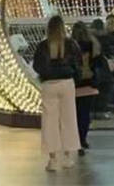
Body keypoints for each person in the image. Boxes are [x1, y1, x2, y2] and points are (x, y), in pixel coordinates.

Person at [33, 14, 81, 171]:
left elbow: (37, 66)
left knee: (49, 121)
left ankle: (53, 159)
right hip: (67, 83)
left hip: (49, 84)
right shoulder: (71, 44)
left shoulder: (43, 46)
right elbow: (78, 64)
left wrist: (46, 74)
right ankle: (68, 156)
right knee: (69, 119)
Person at [71, 20, 100, 154]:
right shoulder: (92, 45)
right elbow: (97, 62)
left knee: (75, 114)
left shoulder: (70, 46)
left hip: (74, 84)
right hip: (89, 83)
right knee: (85, 114)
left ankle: (76, 140)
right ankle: (83, 139)